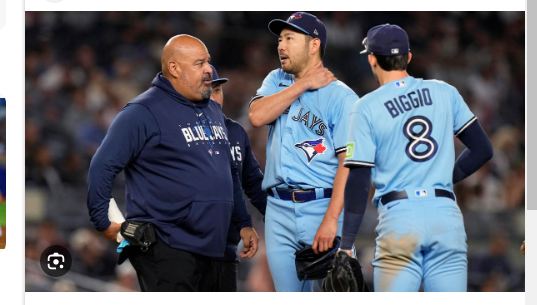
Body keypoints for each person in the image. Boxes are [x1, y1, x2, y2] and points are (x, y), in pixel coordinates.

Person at [87, 34, 257, 291]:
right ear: (174, 68)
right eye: (199, 63)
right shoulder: (142, 111)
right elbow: (102, 166)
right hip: (168, 246)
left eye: (208, 62)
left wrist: (242, 223)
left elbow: (227, 172)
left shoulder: (210, 109)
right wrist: (104, 223)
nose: (209, 69)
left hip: (217, 248)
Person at [340, 24, 493, 291]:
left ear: (372, 59)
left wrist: (346, 244)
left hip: (400, 217)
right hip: (445, 216)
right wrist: (446, 177)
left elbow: (359, 179)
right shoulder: (444, 92)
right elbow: (483, 149)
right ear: (408, 57)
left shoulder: (365, 108)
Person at [248, 12, 358, 291]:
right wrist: (303, 84)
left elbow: (350, 162)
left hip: (321, 206)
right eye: (280, 39)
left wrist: (332, 220)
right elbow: (257, 116)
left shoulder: (342, 97)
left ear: (314, 45)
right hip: (278, 209)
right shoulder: (276, 79)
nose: (281, 46)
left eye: (290, 38)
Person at [209, 65, 267, 291]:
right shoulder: (184, 133)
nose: (214, 98)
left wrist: (279, 220)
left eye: (218, 91)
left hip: (226, 247)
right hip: (187, 246)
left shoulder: (235, 132)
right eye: (208, 91)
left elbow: (253, 183)